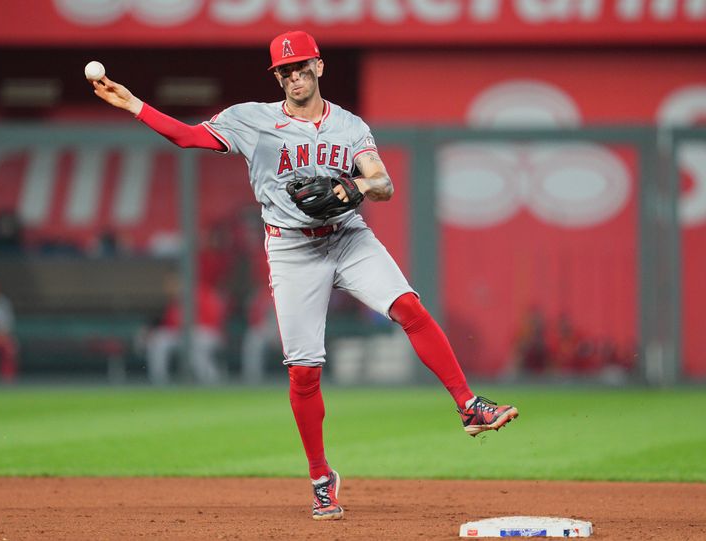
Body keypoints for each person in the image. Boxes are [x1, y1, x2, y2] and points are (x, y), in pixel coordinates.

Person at [90, 30, 518, 521]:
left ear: (319, 67)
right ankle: (321, 479)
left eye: (301, 66)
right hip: (292, 249)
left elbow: (384, 184)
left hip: (348, 236)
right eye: (285, 70)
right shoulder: (252, 120)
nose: (294, 75)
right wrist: (135, 105)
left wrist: (351, 187)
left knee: (408, 307)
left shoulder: (350, 126)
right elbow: (189, 137)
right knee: (304, 371)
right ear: (277, 76)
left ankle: (469, 407)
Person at [144, 273, 226, 385]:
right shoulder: (176, 301)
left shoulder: (203, 293)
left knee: (193, 347)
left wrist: (188, 327)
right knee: (159, 340)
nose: (170, 288)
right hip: (183, 335)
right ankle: (159, 381)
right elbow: (170, 325)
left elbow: (213, 321)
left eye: (174, 284)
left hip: (208, 334)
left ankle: (211, 381)